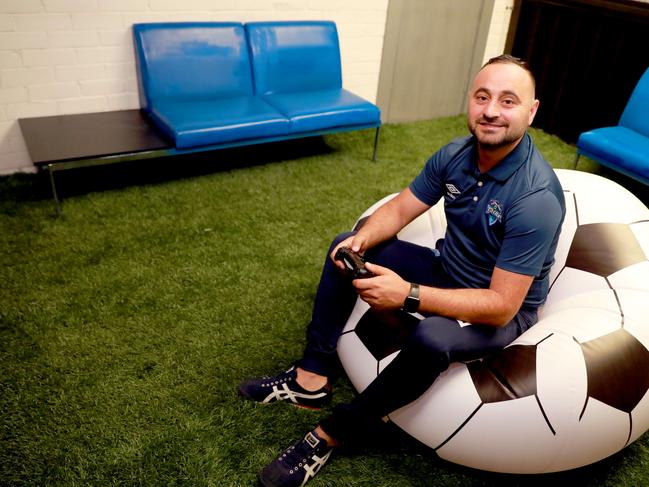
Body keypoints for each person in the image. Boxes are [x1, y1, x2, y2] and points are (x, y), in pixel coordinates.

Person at [238, 54, 566, 487]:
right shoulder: (456, 154)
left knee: (432, 336)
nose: (490, 111)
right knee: (343, 245)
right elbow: (399, 208)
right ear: (470, 100)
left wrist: (407, 295)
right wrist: (362, 240)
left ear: (531, 110)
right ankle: (311, 377)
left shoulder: (535, 197)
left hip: (501, 307)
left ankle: (334, 433)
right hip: (449, 269)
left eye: (508, 101)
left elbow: (502, 306)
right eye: (482, 97)